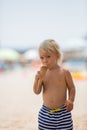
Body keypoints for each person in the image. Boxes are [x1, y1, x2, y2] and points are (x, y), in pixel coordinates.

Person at [33, 39, 76, 130]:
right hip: (46, 113)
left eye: (48, 56)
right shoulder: (43, 73)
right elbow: (37, 91)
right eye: (42, 58)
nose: (45, 60)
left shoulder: (64, 72)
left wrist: (71, 100)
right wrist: (37, 79)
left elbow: (71, 88)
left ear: (57, 55)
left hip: (63, 113)